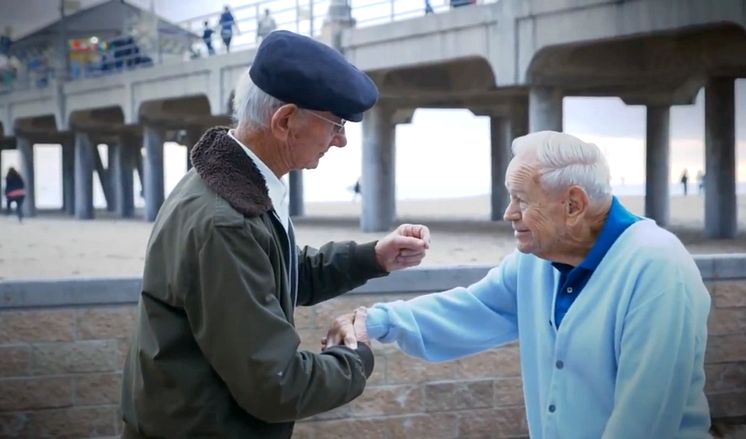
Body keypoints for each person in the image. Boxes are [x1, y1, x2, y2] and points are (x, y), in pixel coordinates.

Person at [120, 30, 431, 438]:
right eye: (335, 123)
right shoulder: (224, 222)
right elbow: (277, 384)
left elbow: (276, 271)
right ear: (284, 121)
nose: (340, 141)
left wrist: (372, 257)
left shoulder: (229, 187)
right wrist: (356, 355)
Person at [326, 131, 711, 438]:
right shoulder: (536, 263)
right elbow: (471, 310)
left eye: (521, 200)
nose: (508, 213)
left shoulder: (657, 269)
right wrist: (372, 322)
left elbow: (643, 420)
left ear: (573, 205)